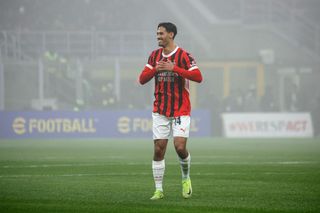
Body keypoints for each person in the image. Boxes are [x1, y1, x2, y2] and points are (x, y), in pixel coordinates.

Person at [139, 22, 202, 200]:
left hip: (180, 109)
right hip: (160, 109)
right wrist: (155, 70)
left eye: (161, 33)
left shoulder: (184, 56)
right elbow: (142, 79)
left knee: (180, 147)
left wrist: (175, 68)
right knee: (159, 149)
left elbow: (198, 77)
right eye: (157, 33)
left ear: (171, 34)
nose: (158, 36)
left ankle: (185, 178)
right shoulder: (154, 56)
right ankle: (158, 190)